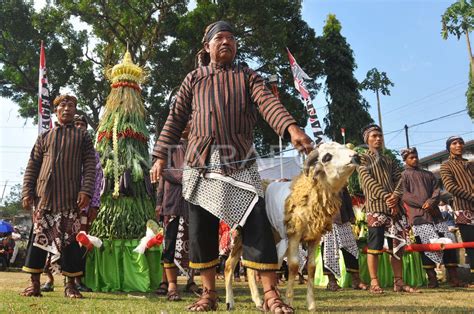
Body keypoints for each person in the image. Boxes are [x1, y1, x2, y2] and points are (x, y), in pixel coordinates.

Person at [150, 21, 312, 312]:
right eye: (220, 38)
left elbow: (268, 105)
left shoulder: (248, 76)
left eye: (231, 39)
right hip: (200, 163)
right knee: (202, 228)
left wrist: (291, 128)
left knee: (256, 224)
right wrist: (161, 155)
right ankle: (208, 294)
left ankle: (271, 295)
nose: (226, 42)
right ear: (207, 46)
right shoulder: (194, 79)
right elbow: (175, 118)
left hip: (240, 161)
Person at [21, 94, 96, 298]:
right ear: (56, 110)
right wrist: (27, 191)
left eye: (71, 105)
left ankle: (70, 286)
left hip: (69, 198)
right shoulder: (45, 136)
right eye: (62, 105)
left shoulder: (83, 137)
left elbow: (90, 167)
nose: (67, 109)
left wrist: (86, 190)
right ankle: (34, 285)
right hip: (44, 198)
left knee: (70, 244)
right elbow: (32, 165)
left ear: (75, 111)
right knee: (37, 242)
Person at [358, 124, 418, 294]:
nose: (378, 138)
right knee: (374, 246)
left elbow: (400, 179)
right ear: (367, 139)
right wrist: (387, 196)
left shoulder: (389, 159)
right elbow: (367, 181)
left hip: (395, 209)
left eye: (380, 136)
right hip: (376, 207)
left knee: (397, 246)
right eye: (374, 136)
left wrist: (396, 196)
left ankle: (398, 282)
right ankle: (374, 282)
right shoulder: (362, 158)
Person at [399, 147, 464, 288]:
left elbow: (437, 190)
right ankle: (432, 278)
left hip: (436, 215)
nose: (415, 159)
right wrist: (424, 203)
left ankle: (454, 277)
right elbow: (405, 195)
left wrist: (431, 202)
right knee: (426, 247)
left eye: (416, 156)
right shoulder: (402, 176)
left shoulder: (428, 174)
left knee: (448, 243)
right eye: (411, 157)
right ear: (405, 159)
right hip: (418, 217)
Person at [155, 123, 201, 301]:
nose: (186, 123)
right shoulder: (167, 145)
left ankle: (191, 281)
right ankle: (171, 285)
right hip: (172, 202)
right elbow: (162, 173)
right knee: (170, 243)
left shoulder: (198, 145)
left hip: (194, 202)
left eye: (190, 119)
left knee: (194, 242)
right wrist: (159, 202)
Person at [440, 136, 474, 285]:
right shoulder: (445, 165)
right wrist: (471, 196)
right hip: (463, 209)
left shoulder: (470, 163)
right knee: (471, 244)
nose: (458, 145)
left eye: (460, 142)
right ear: (449, 148)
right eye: (454, 143)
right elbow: (451, 187)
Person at [321, 188, 368, 291]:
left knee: (351, 249)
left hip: (343, 220)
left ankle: (356, 280)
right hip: (326, 222)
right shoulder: (318, 181)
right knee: (329, 252)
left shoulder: (341, 182)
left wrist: (351, 216)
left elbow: (346, 199)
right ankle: (332, 282)